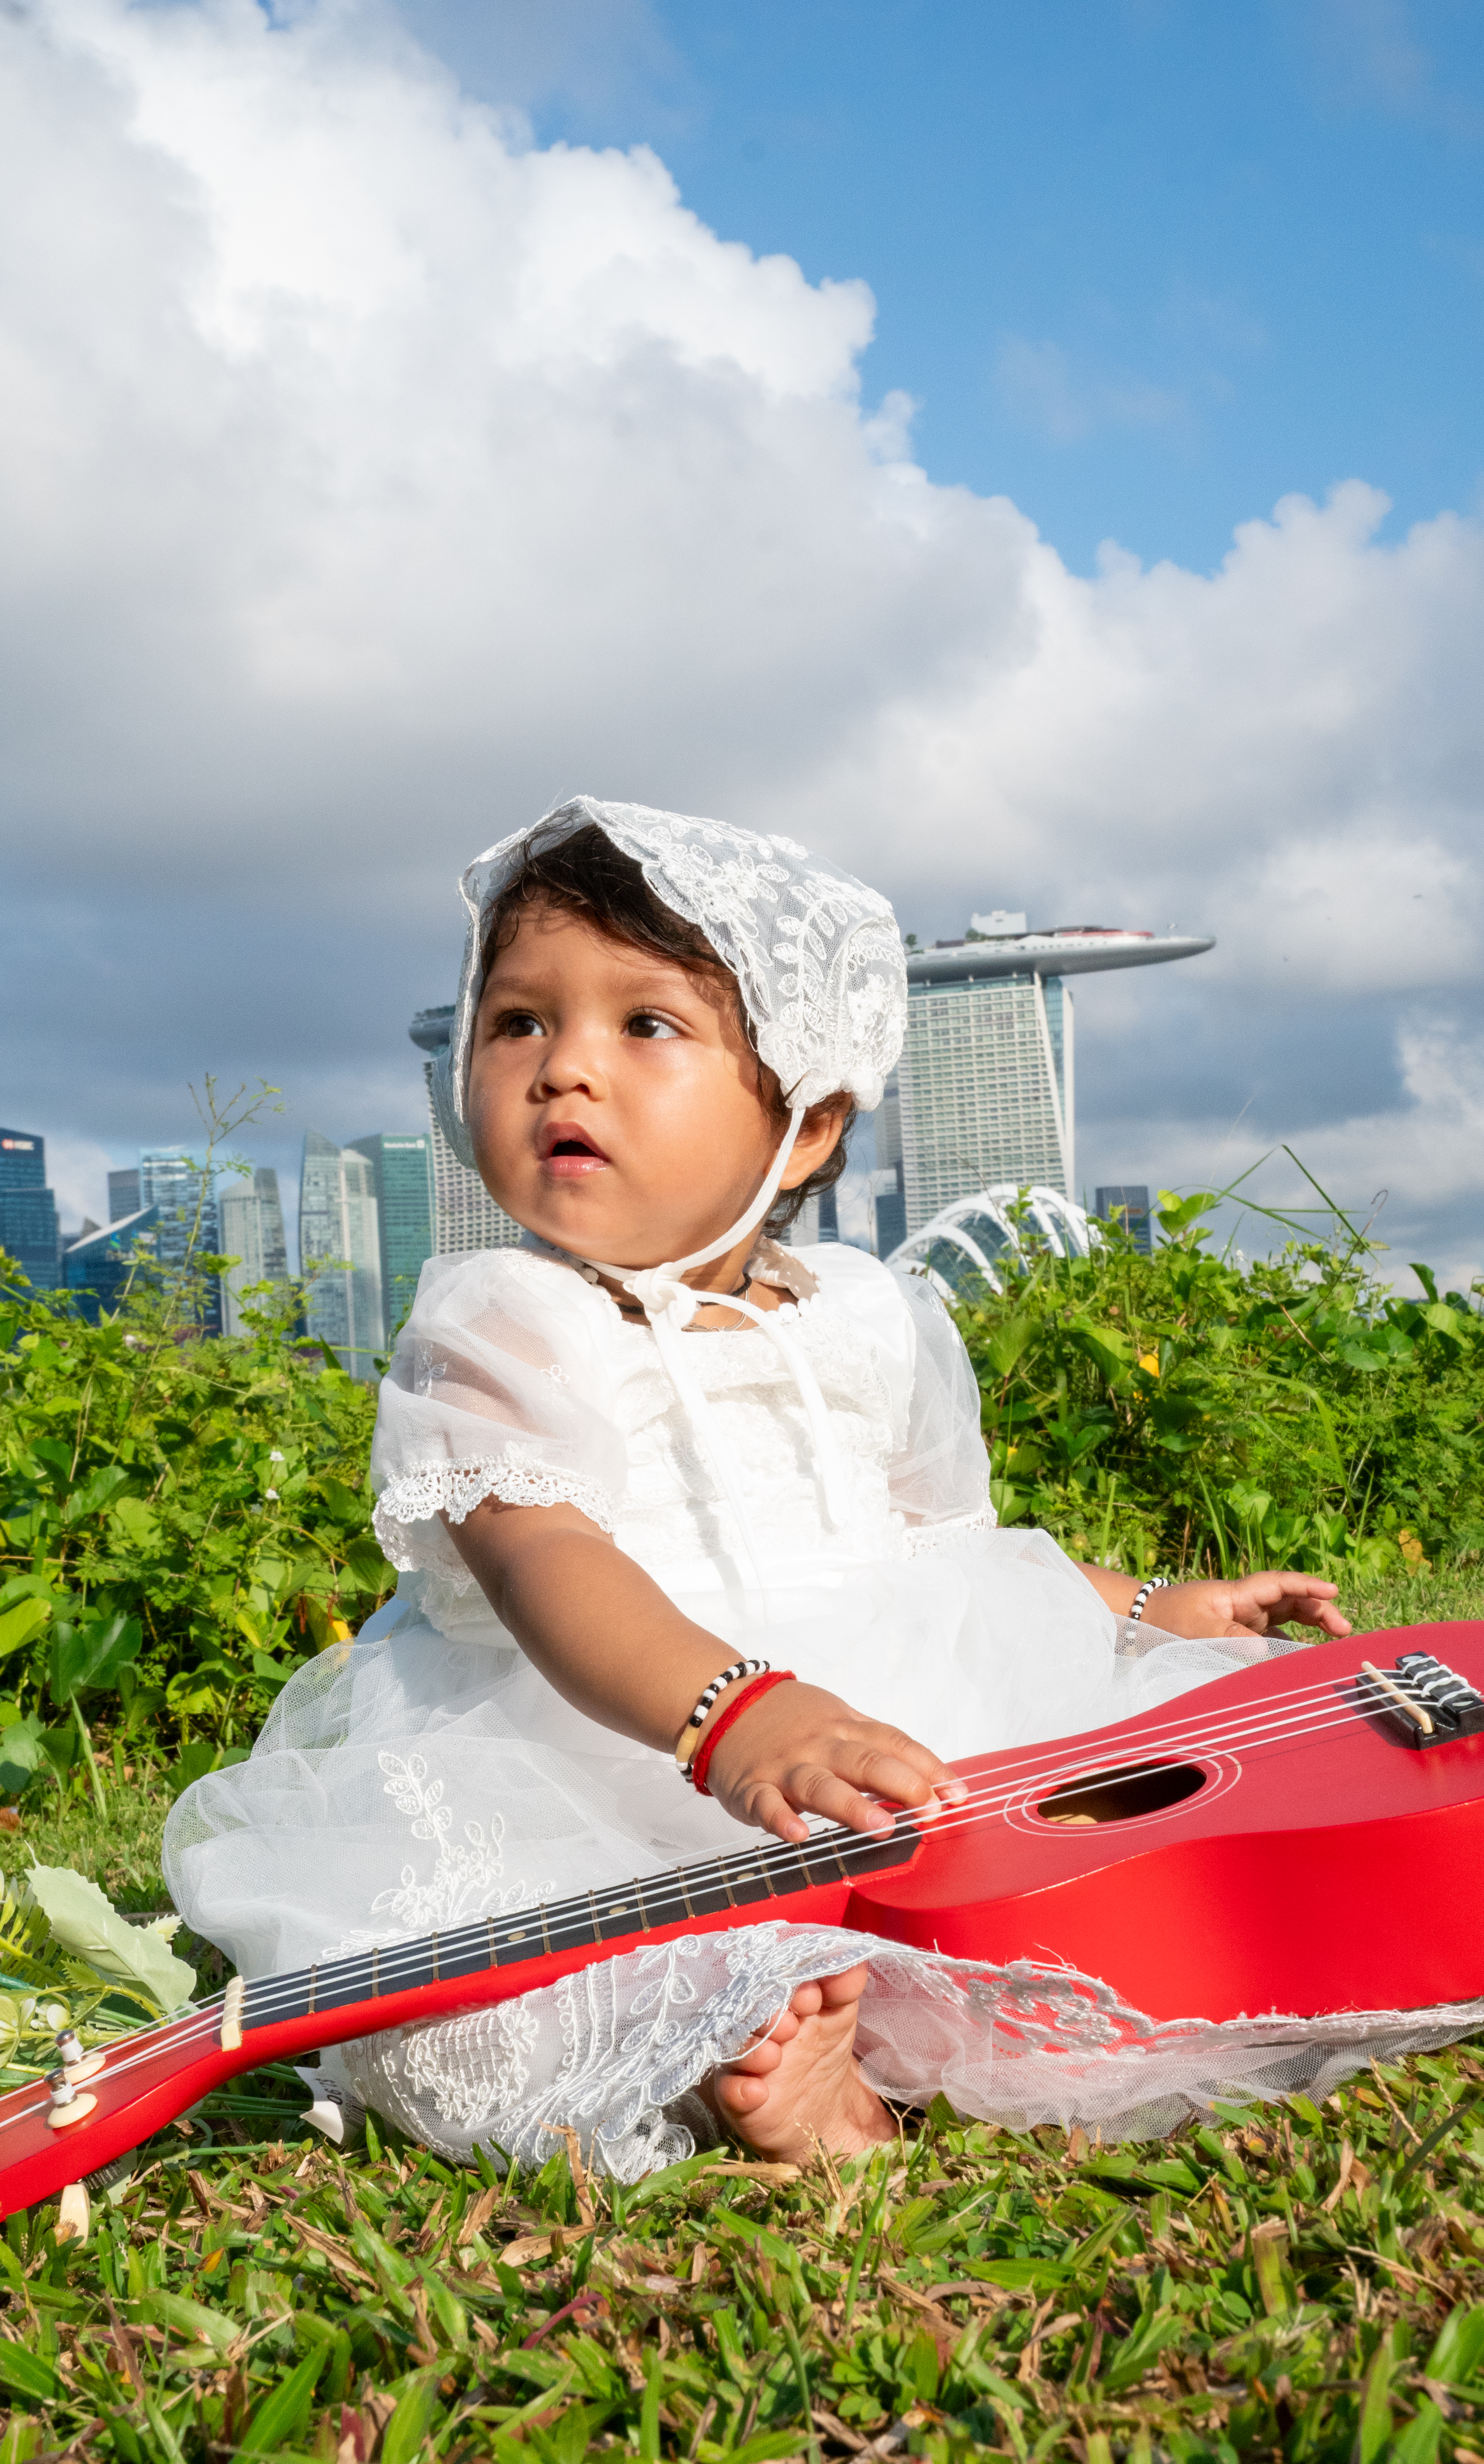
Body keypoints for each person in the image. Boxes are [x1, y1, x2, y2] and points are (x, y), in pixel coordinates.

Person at [164, 799, 1351, 2176]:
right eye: (518, 1024)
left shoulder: (864, 1313)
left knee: (1128, 1834)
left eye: (643, 1027)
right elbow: (545, 1556)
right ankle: (770, 2057)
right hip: (603, 1755)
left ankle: (906, 2007)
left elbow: (949, 1551)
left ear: (803, 1127)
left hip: (905, 1725)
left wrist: (1151, 1604)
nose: (564, 1073)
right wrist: (733, 1716)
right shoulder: (498, 1324)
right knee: (462, 2000)